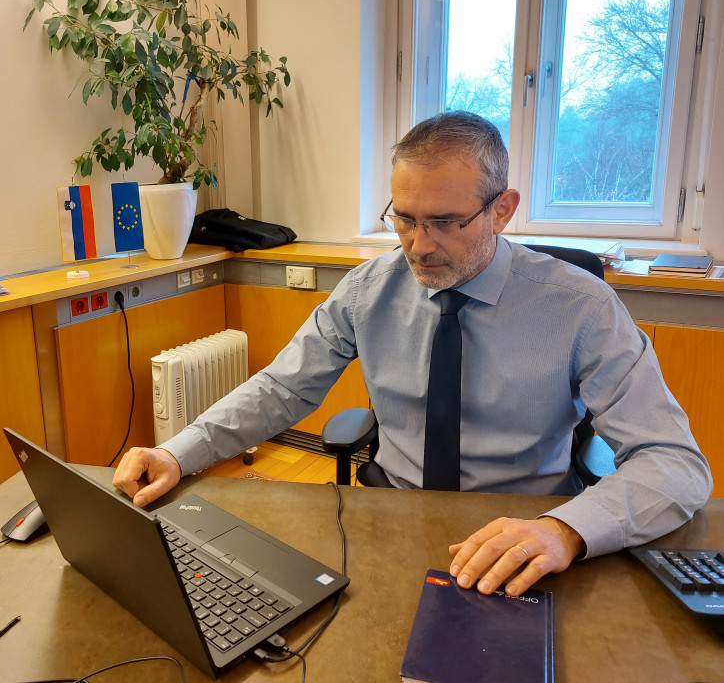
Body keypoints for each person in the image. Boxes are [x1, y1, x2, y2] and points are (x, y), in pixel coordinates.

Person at [113, 110, 712, 598]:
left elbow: (675, 464)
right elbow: (282, 387)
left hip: (525, 528)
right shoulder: (368, 287)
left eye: (446, 222)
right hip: (395, 522)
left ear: (503, 210)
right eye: (405, 219)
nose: (419, 247)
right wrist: (177, 450)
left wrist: (566, 529)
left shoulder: (580, 305)